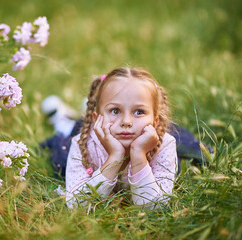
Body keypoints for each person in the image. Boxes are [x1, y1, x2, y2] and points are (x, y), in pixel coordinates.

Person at [40, 67, 211, 209]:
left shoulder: (166, 144)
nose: (126, 122)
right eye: (115, 110)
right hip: (90, 133)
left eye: (139, 111)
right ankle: (61, 119)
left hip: (139, 134)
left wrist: (138, 155)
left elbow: (153, 207)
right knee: (65, 142)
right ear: (96, 118)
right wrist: (114, 157)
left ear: (155, 120)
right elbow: (78, 204)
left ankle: (87, 109)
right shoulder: (81, 144)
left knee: (187, 144)